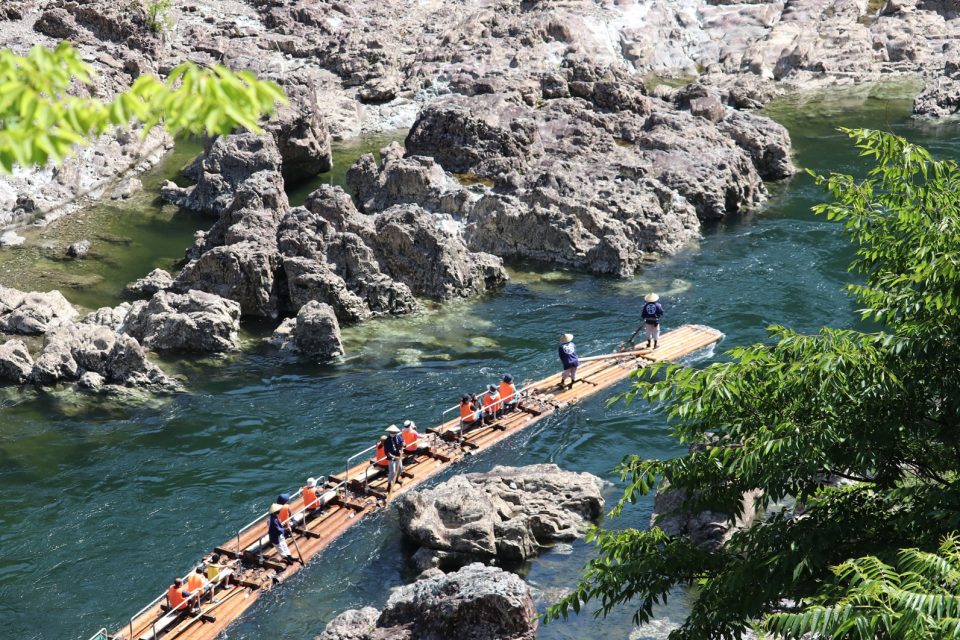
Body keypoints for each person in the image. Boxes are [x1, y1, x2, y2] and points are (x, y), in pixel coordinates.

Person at [383, 424, 405, 488]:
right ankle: (389, 484)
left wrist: (403, 445)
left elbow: (402, 442)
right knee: (392, 471)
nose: (393, 433)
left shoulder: (398, 437)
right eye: (392, 432)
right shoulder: (387, 441)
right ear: (389, 432)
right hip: (391, 458)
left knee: (400, 468)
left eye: (394, 432)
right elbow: (387, 453)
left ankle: (396, 479)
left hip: (398, 455)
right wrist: (395, 457)